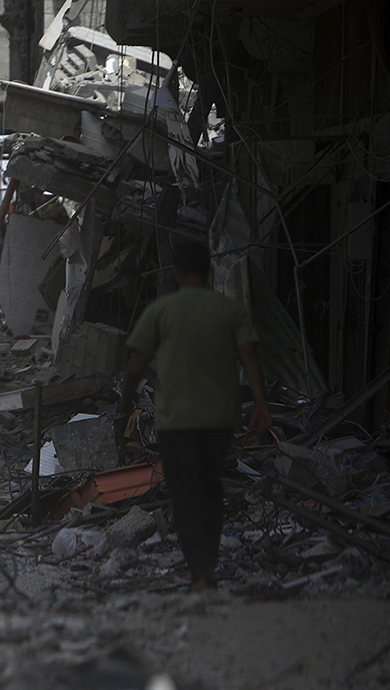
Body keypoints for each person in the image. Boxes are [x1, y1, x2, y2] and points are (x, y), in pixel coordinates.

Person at [118, 239, 271, 592]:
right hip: (219, 420)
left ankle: (199, 573)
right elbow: (250, 356)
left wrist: (126, 402)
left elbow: (136, 365)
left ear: (174, 272)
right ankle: (210, 565)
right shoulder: (229, 310)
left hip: (176, 423)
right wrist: (262, 405)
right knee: (210, 490)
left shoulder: (160, 311)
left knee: (185, 496)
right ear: (210, 271)